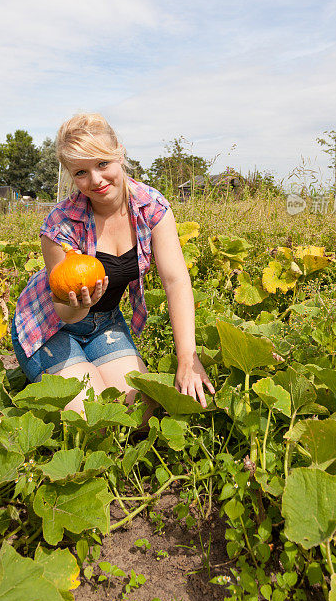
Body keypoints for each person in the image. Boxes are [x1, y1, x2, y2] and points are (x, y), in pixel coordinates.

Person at [11, 112, 215, 416]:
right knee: (93, 418)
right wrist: (81, 304)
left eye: (102, 164)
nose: (95, 180)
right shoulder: (61, 223)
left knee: (138, 415)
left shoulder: (151, 207)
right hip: (51, 326)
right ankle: (41, 376)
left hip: (104, 322)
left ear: (118, 153)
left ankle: (76, 370)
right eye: (81, 172)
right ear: (70, 174)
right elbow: (63, 310)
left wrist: (188, 357)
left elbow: (175, 281)